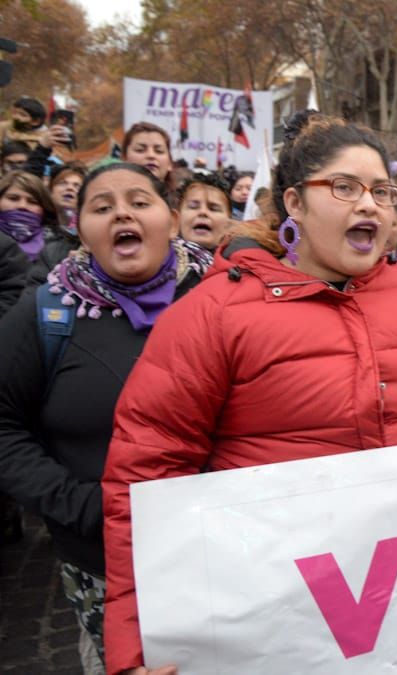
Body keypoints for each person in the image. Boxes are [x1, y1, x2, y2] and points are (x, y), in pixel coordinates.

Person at [101, 112, 397, 675]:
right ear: (294, 203)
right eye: (345, 187)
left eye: (381, 191)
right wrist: (139, 642)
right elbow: (146, 475)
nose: (369, 205)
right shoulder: (214, 313)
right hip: (273, 609)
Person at [0, 162, 212, 675]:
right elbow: (4, 426)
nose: (122, 213)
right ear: (80, 229)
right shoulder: (46, 312)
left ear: (172, 219)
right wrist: (81, 506)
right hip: (103, 559)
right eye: (102, 206)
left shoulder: (225, 298)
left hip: (221, 551)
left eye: (139, 202)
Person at [25, 162, 87, 288]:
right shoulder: (33, 228)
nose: (69, 188)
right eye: (62, 183)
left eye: (77, 185)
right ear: (50, 191)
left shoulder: (87, 238)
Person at [0, 170, 55, 264]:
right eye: (13, 198)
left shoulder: (59, 249)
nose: (22, 206)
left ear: (44, 208)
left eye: (32, 202)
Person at [176, 172, 232, 251]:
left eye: (213, 209)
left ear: (229, 223)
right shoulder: (161, 256)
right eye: (193, 207)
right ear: (177, 218)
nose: (203, 212)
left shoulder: (242, 256)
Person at [121, 122, 174, 197]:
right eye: (140, 150)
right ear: (124, 158)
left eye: (159, 151)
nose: (151, 155)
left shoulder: (183, 202)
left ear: (170, 163)